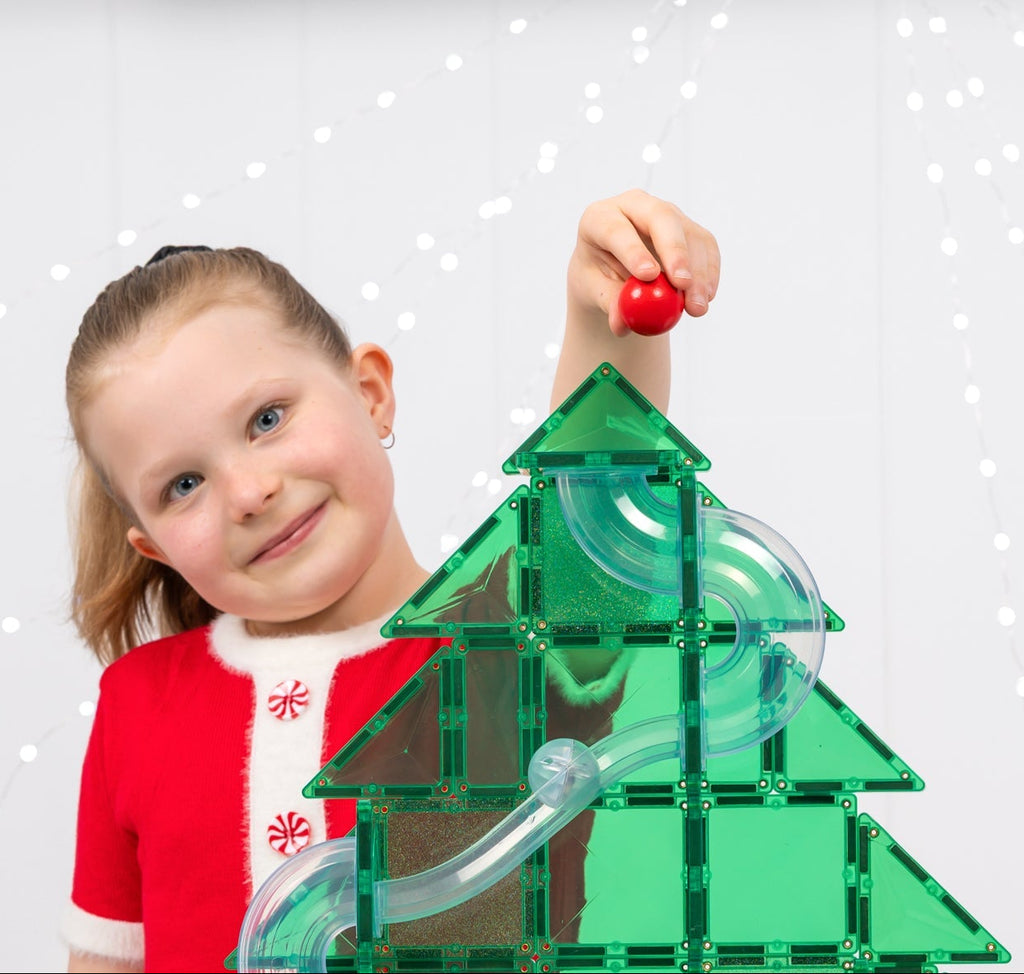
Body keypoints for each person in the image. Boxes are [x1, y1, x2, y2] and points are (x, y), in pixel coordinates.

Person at [60, 189, 720, 973]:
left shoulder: (508, 648)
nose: (247, 493)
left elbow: (595, 497)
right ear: (156, 549)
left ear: (370, 393)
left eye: (268, 419)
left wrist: (599, 308)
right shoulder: (138, 704)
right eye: (183, 485)